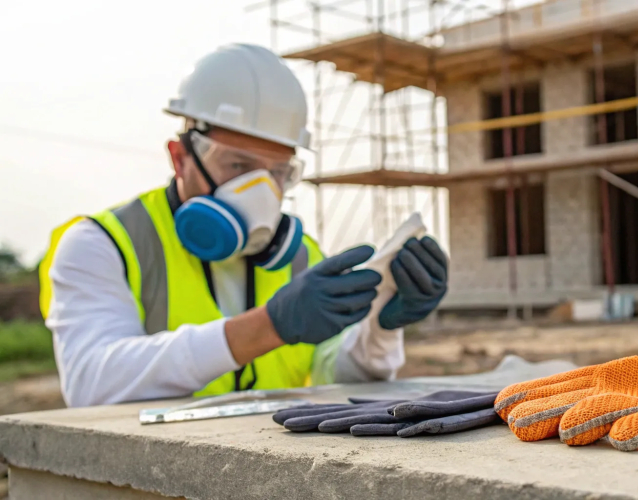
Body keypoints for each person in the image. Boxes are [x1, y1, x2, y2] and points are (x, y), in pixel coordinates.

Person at [38, 44, 448, 407]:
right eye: (237, 165)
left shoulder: (301, 255)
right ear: (180, 158)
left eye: (278, 172)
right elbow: (92, 384)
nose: (261, 191)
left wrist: (380, 329)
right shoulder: (102, 243)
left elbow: (331, 378)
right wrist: (269, 325)